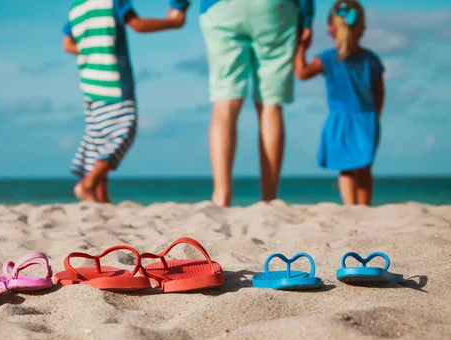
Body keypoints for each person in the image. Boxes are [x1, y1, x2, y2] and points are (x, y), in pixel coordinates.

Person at [62, 0, 188, 203]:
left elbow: (67, 45)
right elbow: (137, 25)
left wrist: (90, 50)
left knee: (99, 140)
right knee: (123, 133)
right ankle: (88, 183)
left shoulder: (76, 8)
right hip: (114, 81)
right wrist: (173, 22)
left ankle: (101, 199)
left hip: (90, 85)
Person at [199, 0, 315, 207]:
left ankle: (221, 195)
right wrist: (306, 17)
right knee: (271, 104)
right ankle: (269, 198)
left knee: (224, 101)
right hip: (274, 8)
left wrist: (178, 6)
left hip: (221, 8)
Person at [295, 0, 385, 205]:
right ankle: (364, 208)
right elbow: (379, 93)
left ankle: (350, 208)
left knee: (346, 168)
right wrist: (374, 116)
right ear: (362, 28)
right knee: (364, 167)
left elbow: (301, 73)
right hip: (366, 118)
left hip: (340, 120)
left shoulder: (327, 58)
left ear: (330, 29)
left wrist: (301, 47)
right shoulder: (372, 59)